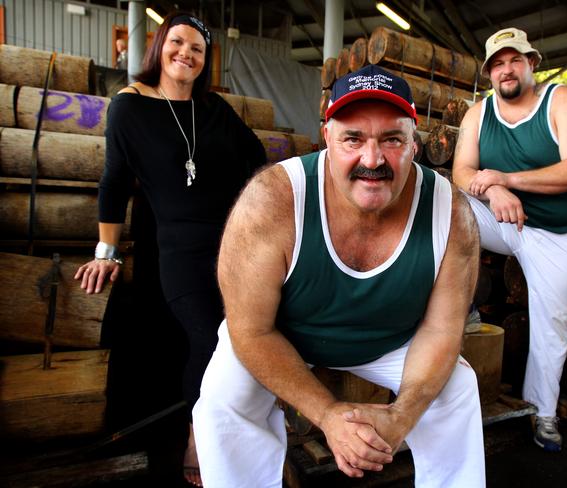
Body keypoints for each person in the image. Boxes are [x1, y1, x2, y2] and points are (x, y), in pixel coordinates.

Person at [193, 64, 485, 487]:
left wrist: (402, 417)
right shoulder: (273, 200)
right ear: (327, 138)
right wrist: (328, 415)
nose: (372, 159)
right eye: (353, 139)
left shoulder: (451, 212)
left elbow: (443, 329)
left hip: (390, 340)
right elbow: (250, 330)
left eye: (391, 140)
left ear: (414, 145)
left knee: (458, 388)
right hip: (284, 335)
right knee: (224, 397)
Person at [74, 12, 266, 487]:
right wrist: (106, 252)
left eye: (197, 49)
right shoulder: (129, 107)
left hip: (236, 246)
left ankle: (247, 435)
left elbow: (257, 159)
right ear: (159, 46)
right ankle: (197, 438)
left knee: (250, 339)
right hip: (178, 251)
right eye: (177, 42)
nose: (186, 53)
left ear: (205, 61)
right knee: (209, 340)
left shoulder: (215, 109)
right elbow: (114, 184)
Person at [452, 27, 567, 452]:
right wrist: (494, 190)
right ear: (489, 73)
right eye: (497, 64)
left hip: (560, 234)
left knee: (550, 323)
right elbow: (462, 173)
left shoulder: (565, 101)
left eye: (514, 60)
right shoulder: (478, 113)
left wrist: (507, 179)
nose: (506, 70)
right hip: (505, 220)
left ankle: (543, 413)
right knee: (444, 205)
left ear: (532, 64)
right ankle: (463, 306)